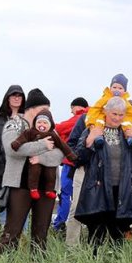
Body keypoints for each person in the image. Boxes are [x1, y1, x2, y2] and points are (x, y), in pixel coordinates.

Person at [74, 97, 132, 248]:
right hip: (98, 189)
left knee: (119, 234)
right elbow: (79, 158)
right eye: (114, 114)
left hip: (122, 190)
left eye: (121, 115)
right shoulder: (93, 128)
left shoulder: (129, 131)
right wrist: (89, 141)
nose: (117, 118)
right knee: (96, 234)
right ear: (106, 112)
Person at [0, 89, 58, 252]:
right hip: (20, 186)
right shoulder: (15, 123)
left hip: (46, 188)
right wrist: (42, 146)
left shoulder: (49, 126)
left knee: (41, 234)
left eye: (48, 110)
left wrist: (41, 158)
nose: (46, 113)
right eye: (43, 109)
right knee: (12, 231)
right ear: (31, 108)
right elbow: (12, 149)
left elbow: (59, 155)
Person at [9, 110, 75, 200]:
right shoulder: (30, 132)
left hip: (49, 159)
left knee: (51, 173)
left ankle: (49, 190)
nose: (42, 125)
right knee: (34, 171)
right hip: (34, 157)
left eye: (45, 123)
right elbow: (22, 138)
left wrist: (71, 155)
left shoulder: (53, 134)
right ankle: (33, 189)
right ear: (35, 123)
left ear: (50, 124)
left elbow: (63, 145)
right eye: (39, 122)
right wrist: (16, 143)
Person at [52, 97, 89, 231]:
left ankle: (60, 223)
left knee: (65, 193)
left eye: (72, 108)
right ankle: (80, 223)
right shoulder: (93, 117)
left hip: (71, 162)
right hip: (84, 163)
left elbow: (59, 128)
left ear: (75, 107)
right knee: (78, 194)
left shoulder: (80, 117)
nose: (72, 112)